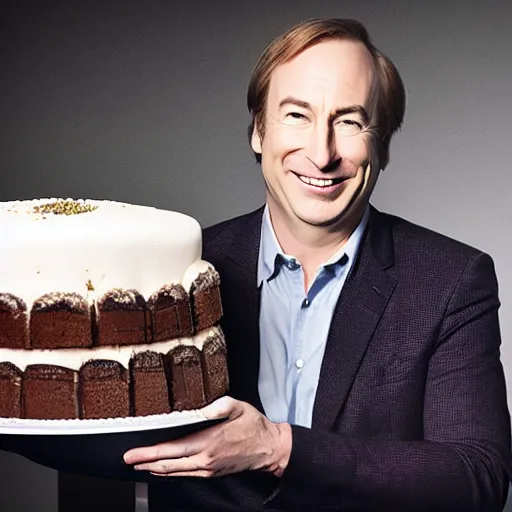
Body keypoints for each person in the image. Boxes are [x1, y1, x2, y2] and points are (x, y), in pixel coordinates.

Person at [124, 18, 512, 511]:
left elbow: (477, 478)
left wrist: (281, 448)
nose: (321, 152)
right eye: (296, 116)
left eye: (349, 121)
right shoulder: (180, 269)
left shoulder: (452, 281)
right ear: (258, 133)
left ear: (383, 145)